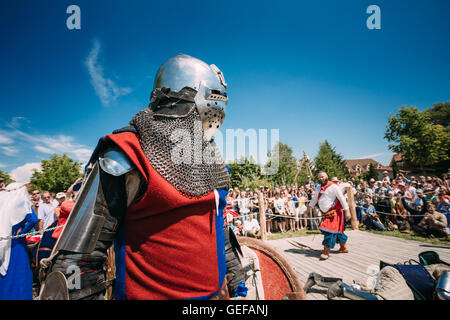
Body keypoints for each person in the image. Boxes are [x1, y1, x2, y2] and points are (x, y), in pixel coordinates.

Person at [41, 54, 240, 300]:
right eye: (215, 100)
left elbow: (216, 222)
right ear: (189, 98)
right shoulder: (126, 153)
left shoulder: (210, 159)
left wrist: (232, 270)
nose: (220, 112)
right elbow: (76, 259)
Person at [304, 251, 450, 300]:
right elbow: (443, 294)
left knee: (361, 285)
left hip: (394, 273)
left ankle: (317, 279)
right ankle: (343, 289)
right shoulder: (447, 270)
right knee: (382, 299)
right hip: (403, 280)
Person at [0, 183, 38, 300]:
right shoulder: (20, 202)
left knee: (4, 273)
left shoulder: (2, 202)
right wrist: (22, 233)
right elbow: (33, 219)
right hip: (16, 245)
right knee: (18, 273)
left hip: (3, 241)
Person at [308, 171, 351, 260]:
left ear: (327, 176)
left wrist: (347, 211)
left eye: (322, 176)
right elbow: (314, 199)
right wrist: (308, 208)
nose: (321, 178)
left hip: (335, 213)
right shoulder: (318, 188)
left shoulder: (334, 187)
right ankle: (343, 248)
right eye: (319, 177)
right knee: (338, 231)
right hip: (327, 214)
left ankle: (326, 251)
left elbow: (342, 199)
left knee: (330, 232)